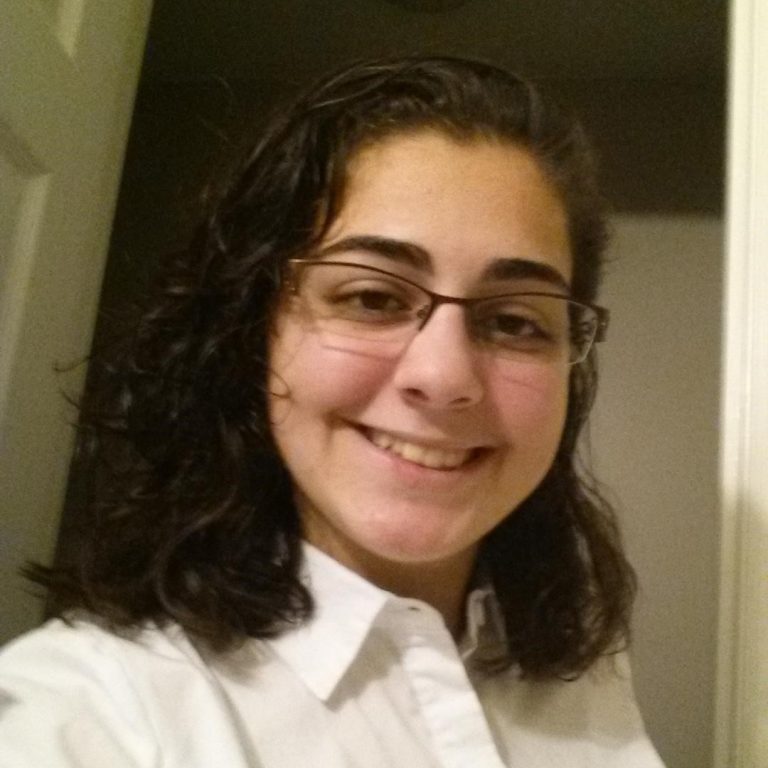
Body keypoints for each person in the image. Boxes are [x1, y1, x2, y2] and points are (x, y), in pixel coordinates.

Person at [0, 56, 665, 767]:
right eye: (372, 298)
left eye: (513, 321)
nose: (443, 378)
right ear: (254, 330)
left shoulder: (584, 675)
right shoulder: (84, 716)